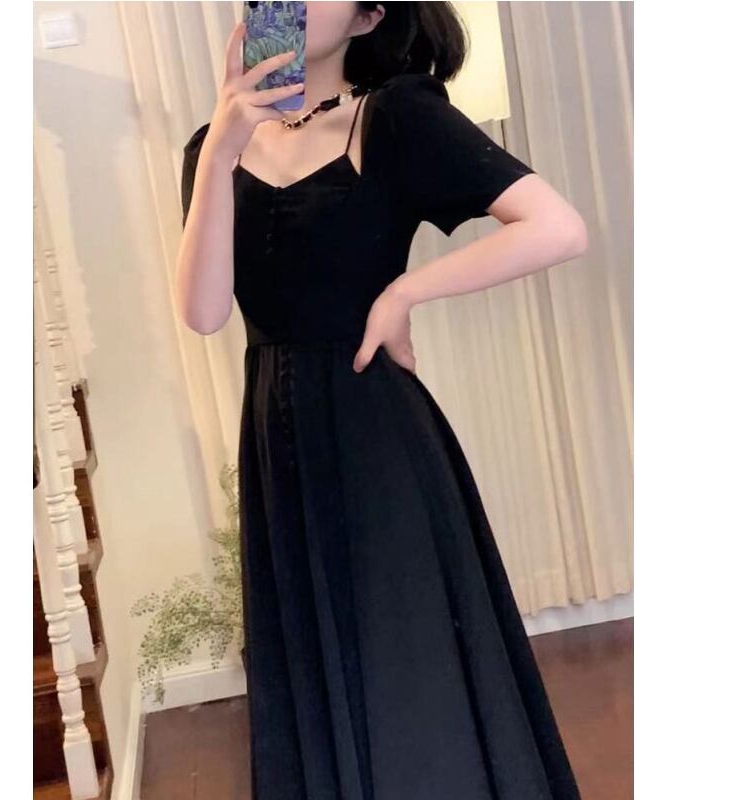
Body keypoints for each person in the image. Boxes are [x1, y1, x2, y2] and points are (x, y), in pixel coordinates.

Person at [176, 3, 587, 798]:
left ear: (368, 18)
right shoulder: (210, 148)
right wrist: (221, 148)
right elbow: (202, 312)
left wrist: (405, 292)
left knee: (408, 668)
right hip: (278, 447)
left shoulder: (394, 117)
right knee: (310, 669)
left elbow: (557, 227)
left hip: (377, 437)